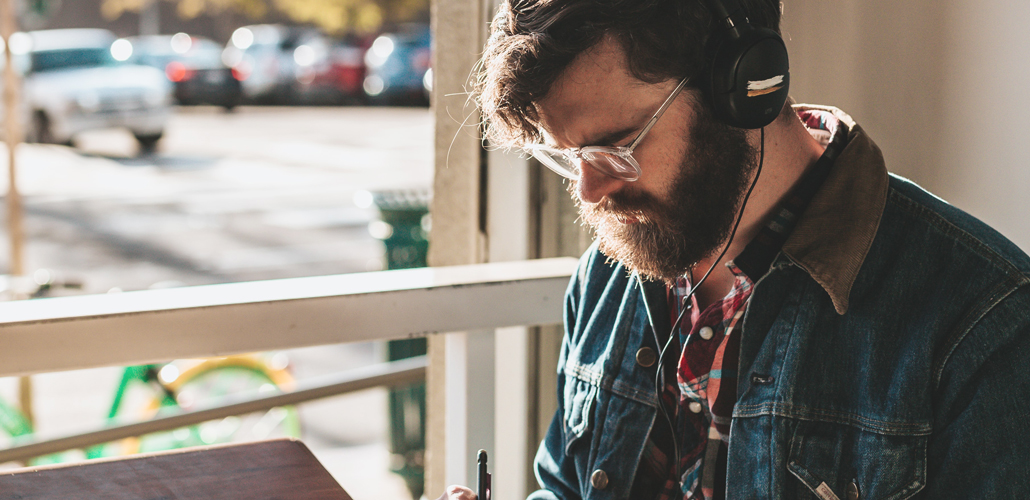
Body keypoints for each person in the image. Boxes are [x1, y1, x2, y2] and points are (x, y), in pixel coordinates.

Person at [439, 0, 1030, 498]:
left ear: (746, 89)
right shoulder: (613, 266)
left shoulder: (986, 326)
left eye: (616, 146)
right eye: (566, 157)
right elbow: (568, 485)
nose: (590, 192)